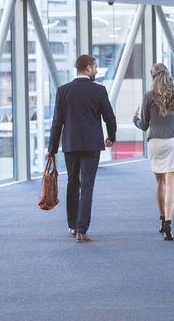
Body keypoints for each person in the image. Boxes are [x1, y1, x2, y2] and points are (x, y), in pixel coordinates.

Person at [47, 54, 117, 243]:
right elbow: (110, 117)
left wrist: (51, 149)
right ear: (87, 68)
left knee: (72, 183)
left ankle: (71, 226)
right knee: (87, 185)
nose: (96, 71)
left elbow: (57, 123)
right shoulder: (99, 90)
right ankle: (81, 230)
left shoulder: (63, 91)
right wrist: (112, 136)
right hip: (92, 145)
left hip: (70, 144)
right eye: (94, 67)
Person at [133, 63, 174, 241]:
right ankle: (168, 223)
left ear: (153, 77)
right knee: (171, 184)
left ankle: (160, 220)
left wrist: (135, 118)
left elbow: (143, 125)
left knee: (159, 183)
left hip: (155, 142)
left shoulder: (148, 96)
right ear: (168, 75)